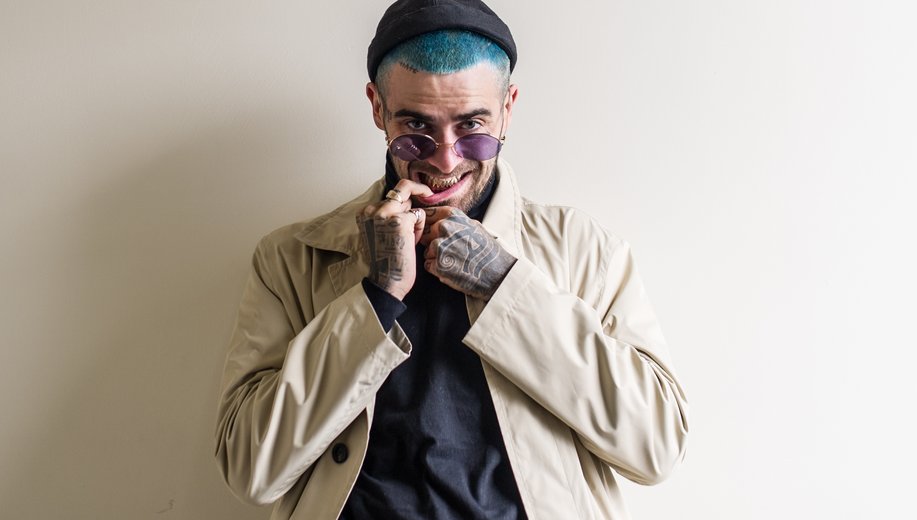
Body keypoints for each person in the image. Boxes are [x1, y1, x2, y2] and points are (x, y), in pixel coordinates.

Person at [214, 1, 689, 518]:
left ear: (508, 108)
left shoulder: (585, 251)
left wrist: (504, 283)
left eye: (472, 127)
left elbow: (655, 448)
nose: (445, 158)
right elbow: (250, 469)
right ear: (377, 108)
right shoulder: (293, 259)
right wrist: (376, 296)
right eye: (416, 126)